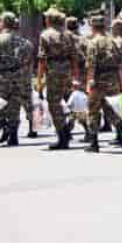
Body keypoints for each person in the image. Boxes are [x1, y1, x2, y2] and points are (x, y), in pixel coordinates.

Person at [36, 8, 79, 150]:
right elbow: (74, 56)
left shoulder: (46, 35)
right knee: (68, 101)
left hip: (54, 71)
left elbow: (42, 59)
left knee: (54, 103)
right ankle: (68, 128)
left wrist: (39, 79)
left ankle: (63, 135)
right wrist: (75, 75)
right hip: (67, 71)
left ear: (49, 20)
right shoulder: (68, 35)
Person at [0, 12, 29, 147]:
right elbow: (27, 61)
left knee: (0, 104)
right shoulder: (23, 41)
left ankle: (0, 124)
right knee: (15, 106)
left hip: (2, 77)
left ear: (4, 23)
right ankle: (13, 136)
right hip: (18, 77)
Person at [84, 14, 122, 153]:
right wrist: (121, 83)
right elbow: (119, 63)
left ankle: (93, 142)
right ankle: (120, 128)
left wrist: (88, 83)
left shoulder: (93, 43)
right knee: (110, 107)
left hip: (98, 79)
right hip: (112, 78)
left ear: (92, 26)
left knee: (93, 110)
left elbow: (91, 65)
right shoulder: (113, 42)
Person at [14, 18, 38, 139]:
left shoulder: (7, 42)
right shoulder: (27, 44)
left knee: (13, 104)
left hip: (12, 77)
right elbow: (31, 61)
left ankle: (12, 131)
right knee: (29, 104)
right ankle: (33, 128)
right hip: (25, 77)